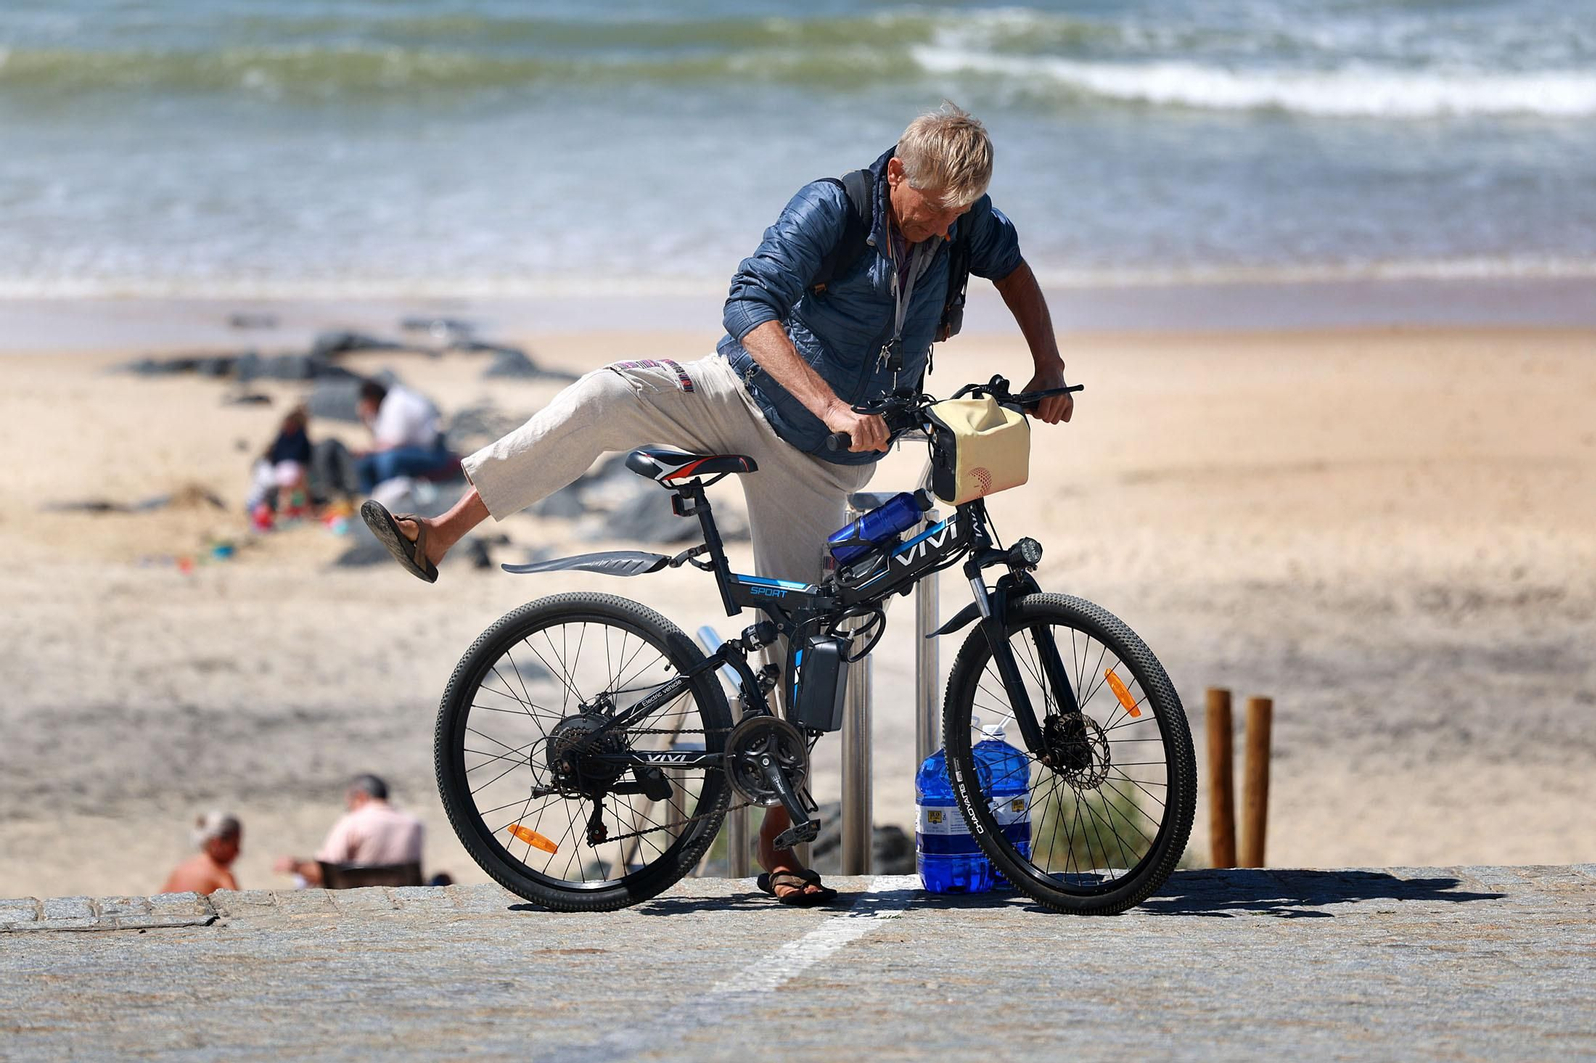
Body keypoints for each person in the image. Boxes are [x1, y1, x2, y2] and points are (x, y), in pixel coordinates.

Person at [360, 104, 1073, 905]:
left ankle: (781, 841)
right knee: (604, 394)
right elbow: (747, 304)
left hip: (819, 464)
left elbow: (1012, 268)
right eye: (933, 209)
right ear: (899, 174)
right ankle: (442, 530)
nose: (946, 228)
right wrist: (832, 403)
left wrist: (1048, 365)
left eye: (960, 215)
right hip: (739, 396)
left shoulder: (961, 220)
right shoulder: (833, 207)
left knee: (804, 641)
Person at [274, 773, 424, 887]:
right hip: (401, 893)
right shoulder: (413, 824)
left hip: (354, 896)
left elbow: (326, 871)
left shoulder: (352, 822)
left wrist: (296, 866)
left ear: (361, 797)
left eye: (349, 803)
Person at [353, 380, 454, 495]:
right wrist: (366, 419)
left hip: (432, 452)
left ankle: (388, 496)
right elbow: (380, 439)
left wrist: (369, 450)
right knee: (364, 463)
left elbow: (395, 442)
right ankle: (370, 497)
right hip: (411, 448)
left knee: (387, 459)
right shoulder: (388, 405)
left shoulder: (396, 404)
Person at [246, 405, 313, 522]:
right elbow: (305, 455)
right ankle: (306, 511)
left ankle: (284, 514)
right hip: (293, 469)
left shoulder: (282, 435)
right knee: (302, 491)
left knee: (284, 495)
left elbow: (276, 454)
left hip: (279, 471)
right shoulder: (301, 435)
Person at [159, 811, 242, 896]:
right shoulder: (220, 875)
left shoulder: (180, 869)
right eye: (235, 844)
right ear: (217, 843)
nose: (238, 851)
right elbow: (238, 906)